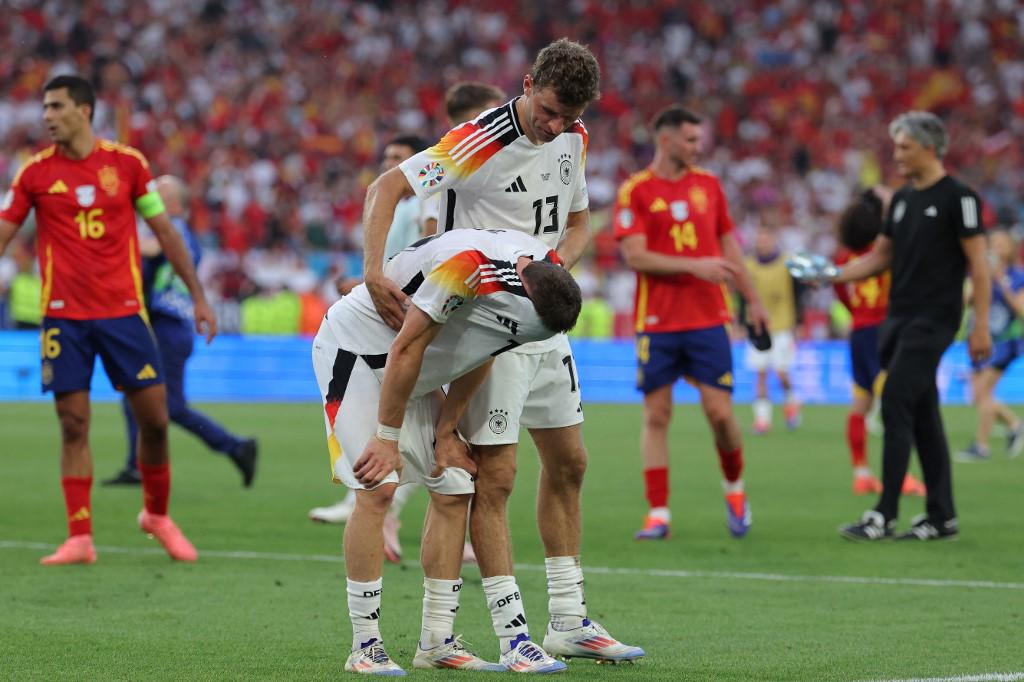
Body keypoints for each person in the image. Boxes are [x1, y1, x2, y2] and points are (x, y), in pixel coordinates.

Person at [361, 39, 643, 664]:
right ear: (525, 82)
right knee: (494, 475)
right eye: (546, 110)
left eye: (566, 116)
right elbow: (387, 188)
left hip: (545, 324)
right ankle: (508, 635)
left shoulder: (574, 136)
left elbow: (577, 224)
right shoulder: (478, 139)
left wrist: (552, 276)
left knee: (570, 462)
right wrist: (374, 269)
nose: (554, 126)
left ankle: (568, 619)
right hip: (489, 324)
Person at [312, 227, 582, 675]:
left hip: (412, 368)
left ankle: (436, 642)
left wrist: (447, 429)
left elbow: (484, 352)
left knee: (456, 483)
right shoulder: (466, 270)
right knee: (377, 487)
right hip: (359, 355)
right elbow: (406, 347)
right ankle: (365, 645)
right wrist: (386, 435)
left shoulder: (541, 291)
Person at [0, 75, 217, 564]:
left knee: (156, 422)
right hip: (63, 319)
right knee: (73, 424)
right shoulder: (34, 174)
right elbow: (5, 233)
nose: (47, 115)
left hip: (123, 315)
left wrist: (199, 296)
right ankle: (80, 536)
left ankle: (156, 516)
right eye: (45, 107)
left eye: (56, 106)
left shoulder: (128, 165)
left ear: (83, 109)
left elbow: (166, 231)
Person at [831, 111, 991, 542]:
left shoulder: (961, 198)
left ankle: (884, 514)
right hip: (897, 319)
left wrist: (981, 326)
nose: (896, 154)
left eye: (904, 146)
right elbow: (881, 256)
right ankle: (942, 517)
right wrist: (834, 275)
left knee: (896, 398)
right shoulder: (901, 200)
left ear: (929, 147)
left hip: (935, 319)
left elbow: (979, 265)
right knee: (923, 413)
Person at [613, 106, 768, 541]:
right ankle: (658, 512)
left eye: (699, 140)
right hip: (657, 321)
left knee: (720, 414)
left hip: (709, 318)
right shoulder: (636, 190)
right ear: (665, 140)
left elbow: (730, 251)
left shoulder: (709, 185)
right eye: (690, 140)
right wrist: (695, 266)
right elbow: (635, 255)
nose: (698, 147)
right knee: (657, 415)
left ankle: (735, 490)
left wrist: (752, 300)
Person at [309, 135, 429, 566]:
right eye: (387, 157)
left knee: (426, 428)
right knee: (414, 426)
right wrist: (366, 286)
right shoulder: (393, 207)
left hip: (411, 320)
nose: (390, 164)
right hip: (386, 316)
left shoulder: (424, 206)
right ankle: (379, 505)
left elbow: (418, 264)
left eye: (399, 158)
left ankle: (382, 508)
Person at [102, 176, 257, 487]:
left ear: (173, 204)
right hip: (159, 326)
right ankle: (136, 466)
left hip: (169, 327)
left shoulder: (176, 231)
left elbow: (150, 249)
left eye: (155, 196)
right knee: (135, 393)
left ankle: (235, 446)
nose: (147, 201)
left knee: (166, 404)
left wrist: (117, 225)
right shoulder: (171, 231)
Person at [833, 187, 927, 496]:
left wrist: (855, 312)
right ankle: (899, 477)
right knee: (895, 404)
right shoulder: (887, 248)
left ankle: (861, 473)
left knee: (860, 403)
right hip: (884, 331)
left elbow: (837, 286)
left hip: (859, 332)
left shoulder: (847, 253)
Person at [956, 228, 1024, 462]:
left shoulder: (1017, 277)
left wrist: (1000, 281)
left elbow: (1021, 309)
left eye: (1001, 243)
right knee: (977, 396)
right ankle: (1015, 424)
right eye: (992, 242)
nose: (995, 246)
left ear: (1011, 249)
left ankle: (981, 446)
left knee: (983, 392)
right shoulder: (978, 272)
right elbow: (966, 301)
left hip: (1005, 341)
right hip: (977, 338)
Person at [745, 225, 801, 433]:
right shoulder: (749, 265)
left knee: (781, 373)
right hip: (757, 326)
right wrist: (743, 323)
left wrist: (799, 322)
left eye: (766, 239)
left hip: (782, 325)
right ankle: (762, 420)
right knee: (760, 373)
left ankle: (791, 401)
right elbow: (744, 296)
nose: (763, 243)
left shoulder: (786, 264)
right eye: (760, 239)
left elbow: (797, 294)